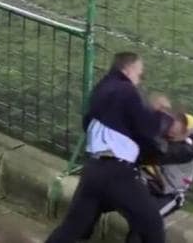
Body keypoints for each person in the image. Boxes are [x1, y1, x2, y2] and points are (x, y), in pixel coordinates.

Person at [45, 52, 177, 243]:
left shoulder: (101, 89)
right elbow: (147, 129)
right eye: (140, 74)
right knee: (152, 225)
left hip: (93, 170)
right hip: (117, 173)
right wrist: (162, 115)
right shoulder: (127, 91)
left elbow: (88, 122)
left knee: (72, 228)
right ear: (129, 69)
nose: (139, 80)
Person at [126, 101, 193, 243]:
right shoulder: (165, 125)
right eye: (171, 126)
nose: (170, 132)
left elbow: (160, 153)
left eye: (174, 133)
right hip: (147, 182)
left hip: (169, 194)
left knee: (144, 224)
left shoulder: (189, 147)